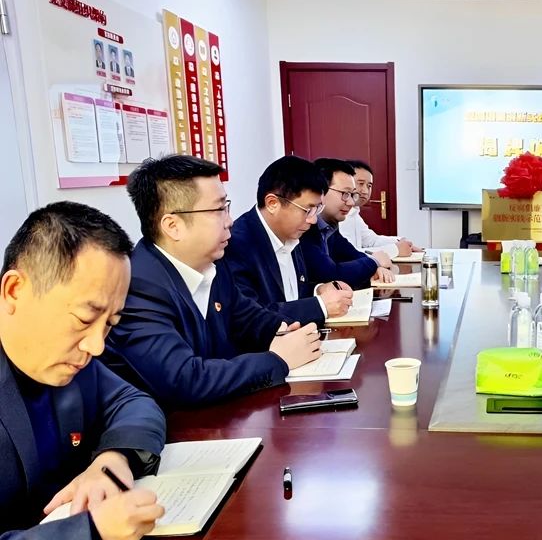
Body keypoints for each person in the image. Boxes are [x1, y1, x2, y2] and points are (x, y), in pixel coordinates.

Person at [0, 202, 211, 540]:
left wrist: (111, 460)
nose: (96, 345)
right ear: (15, 291)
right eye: (85, 317)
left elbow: (134, 402)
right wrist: (90, 537)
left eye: (111, 323)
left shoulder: (69, 360)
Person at [102, 155, 323, 410]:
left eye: (226, 207)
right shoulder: (137, 288)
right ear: (173, 226)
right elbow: (185, 380)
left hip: (224, 416)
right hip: (177, 427)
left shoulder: (212, 266)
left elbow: (251, 320)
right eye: (219, 210)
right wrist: (279, 359)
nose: (230, 221)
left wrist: (289, 332)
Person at [222, 155, 355, 325]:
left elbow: (290, 295)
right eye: (307, 210)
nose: (313, 220)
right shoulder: (236, 244)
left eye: (317, 209)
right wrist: (320, 306)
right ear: (272, 203)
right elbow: (250, 317)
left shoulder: (291, 232)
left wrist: (319, 290)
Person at [303, 158, 394, 287]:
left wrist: (374, 265)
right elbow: (330, 275)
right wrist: (374, 262)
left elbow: (351, 254)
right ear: (320, 191)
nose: (351, 202)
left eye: (352, 195)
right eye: (345, 194)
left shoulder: (329, 226)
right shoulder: (304, 227)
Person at [343, 159, 421, 258]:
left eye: (369, 186)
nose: (366, 191)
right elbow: (348, 255)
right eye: (361, 183)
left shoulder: (354, 213)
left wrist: (401, 242)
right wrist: (395, 250)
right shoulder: (339, 215)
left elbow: (371, 240)